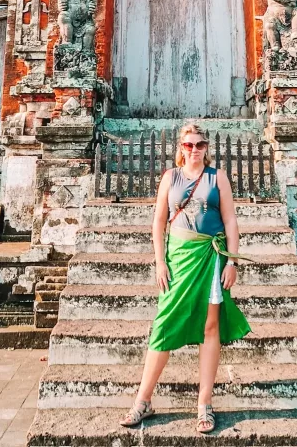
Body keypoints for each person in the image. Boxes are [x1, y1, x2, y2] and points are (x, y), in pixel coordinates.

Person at [120, 122, 251, 434]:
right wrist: (159, 262)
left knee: (210, 327)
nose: (194, 150)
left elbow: (231, 221)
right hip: (178, 258)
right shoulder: (171, 177)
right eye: (189, 145)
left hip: (210, 256)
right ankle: (143, 400)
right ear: (180, 148)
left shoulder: (217, 177)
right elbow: (158, 223)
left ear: (207, 147)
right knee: (164, 324)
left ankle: (204, 403)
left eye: (200, 145)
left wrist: (232, 261)